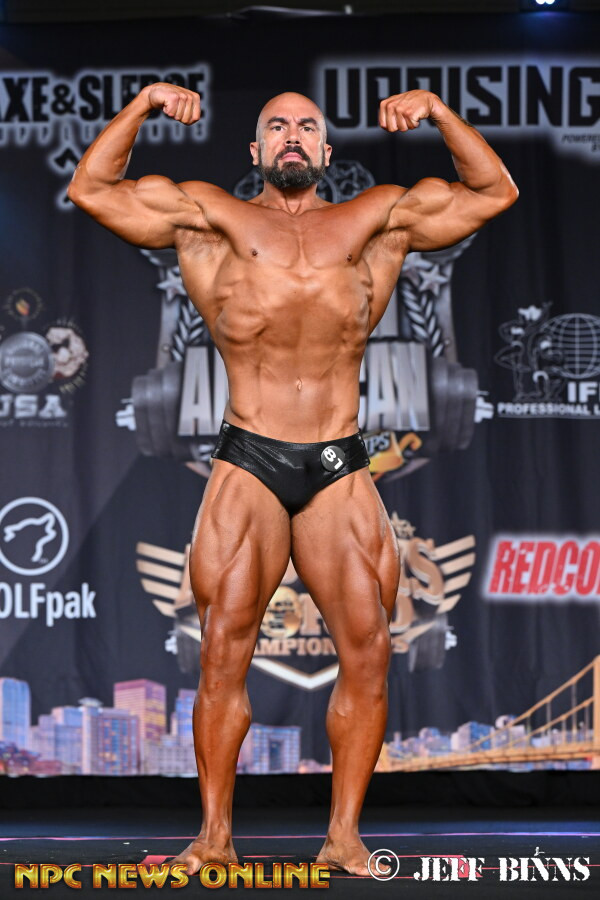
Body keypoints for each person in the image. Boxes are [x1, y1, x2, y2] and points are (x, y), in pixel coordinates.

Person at [68, 83, 517, 876]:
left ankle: (343, 837)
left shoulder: (377, 219)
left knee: (369, 650)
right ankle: (213, 838)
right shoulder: (209, 219)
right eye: (276, 126)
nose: (292, 136)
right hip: (251, 454)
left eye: (306, 126)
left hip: (337, 458)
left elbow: (494, 192)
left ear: (325, 150)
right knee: (222, 651)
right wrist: (142, 104)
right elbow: (92, 188)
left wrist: (441, 113)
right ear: (256, 150)